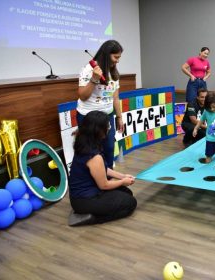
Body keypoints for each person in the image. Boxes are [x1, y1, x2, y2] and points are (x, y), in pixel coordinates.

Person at [68, 111, 137, 226]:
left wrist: (123, 176)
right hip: (85, 200)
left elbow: (103, 169)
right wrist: (123, 182)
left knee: (127, 193)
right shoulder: (94, 156)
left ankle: (87, 211)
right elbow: (104, 185)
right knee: (130, 203)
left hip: (82, 196)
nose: (109, 128)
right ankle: (90, 218)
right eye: (107, 126)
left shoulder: (85, 143)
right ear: (98, 130)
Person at [77, 40, 125, 169]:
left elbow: (115, 97)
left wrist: (119, 117)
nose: (117, 61)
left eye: (119, 57)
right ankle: (93, 183)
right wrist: (94, 79)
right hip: (89, 117)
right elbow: (83, 96)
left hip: (107, 116)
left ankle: (107, 178)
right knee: (90, 152)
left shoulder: (113, 72)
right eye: (116, 57)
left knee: (109, 148)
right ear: (106, 54)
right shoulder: (88, 70)